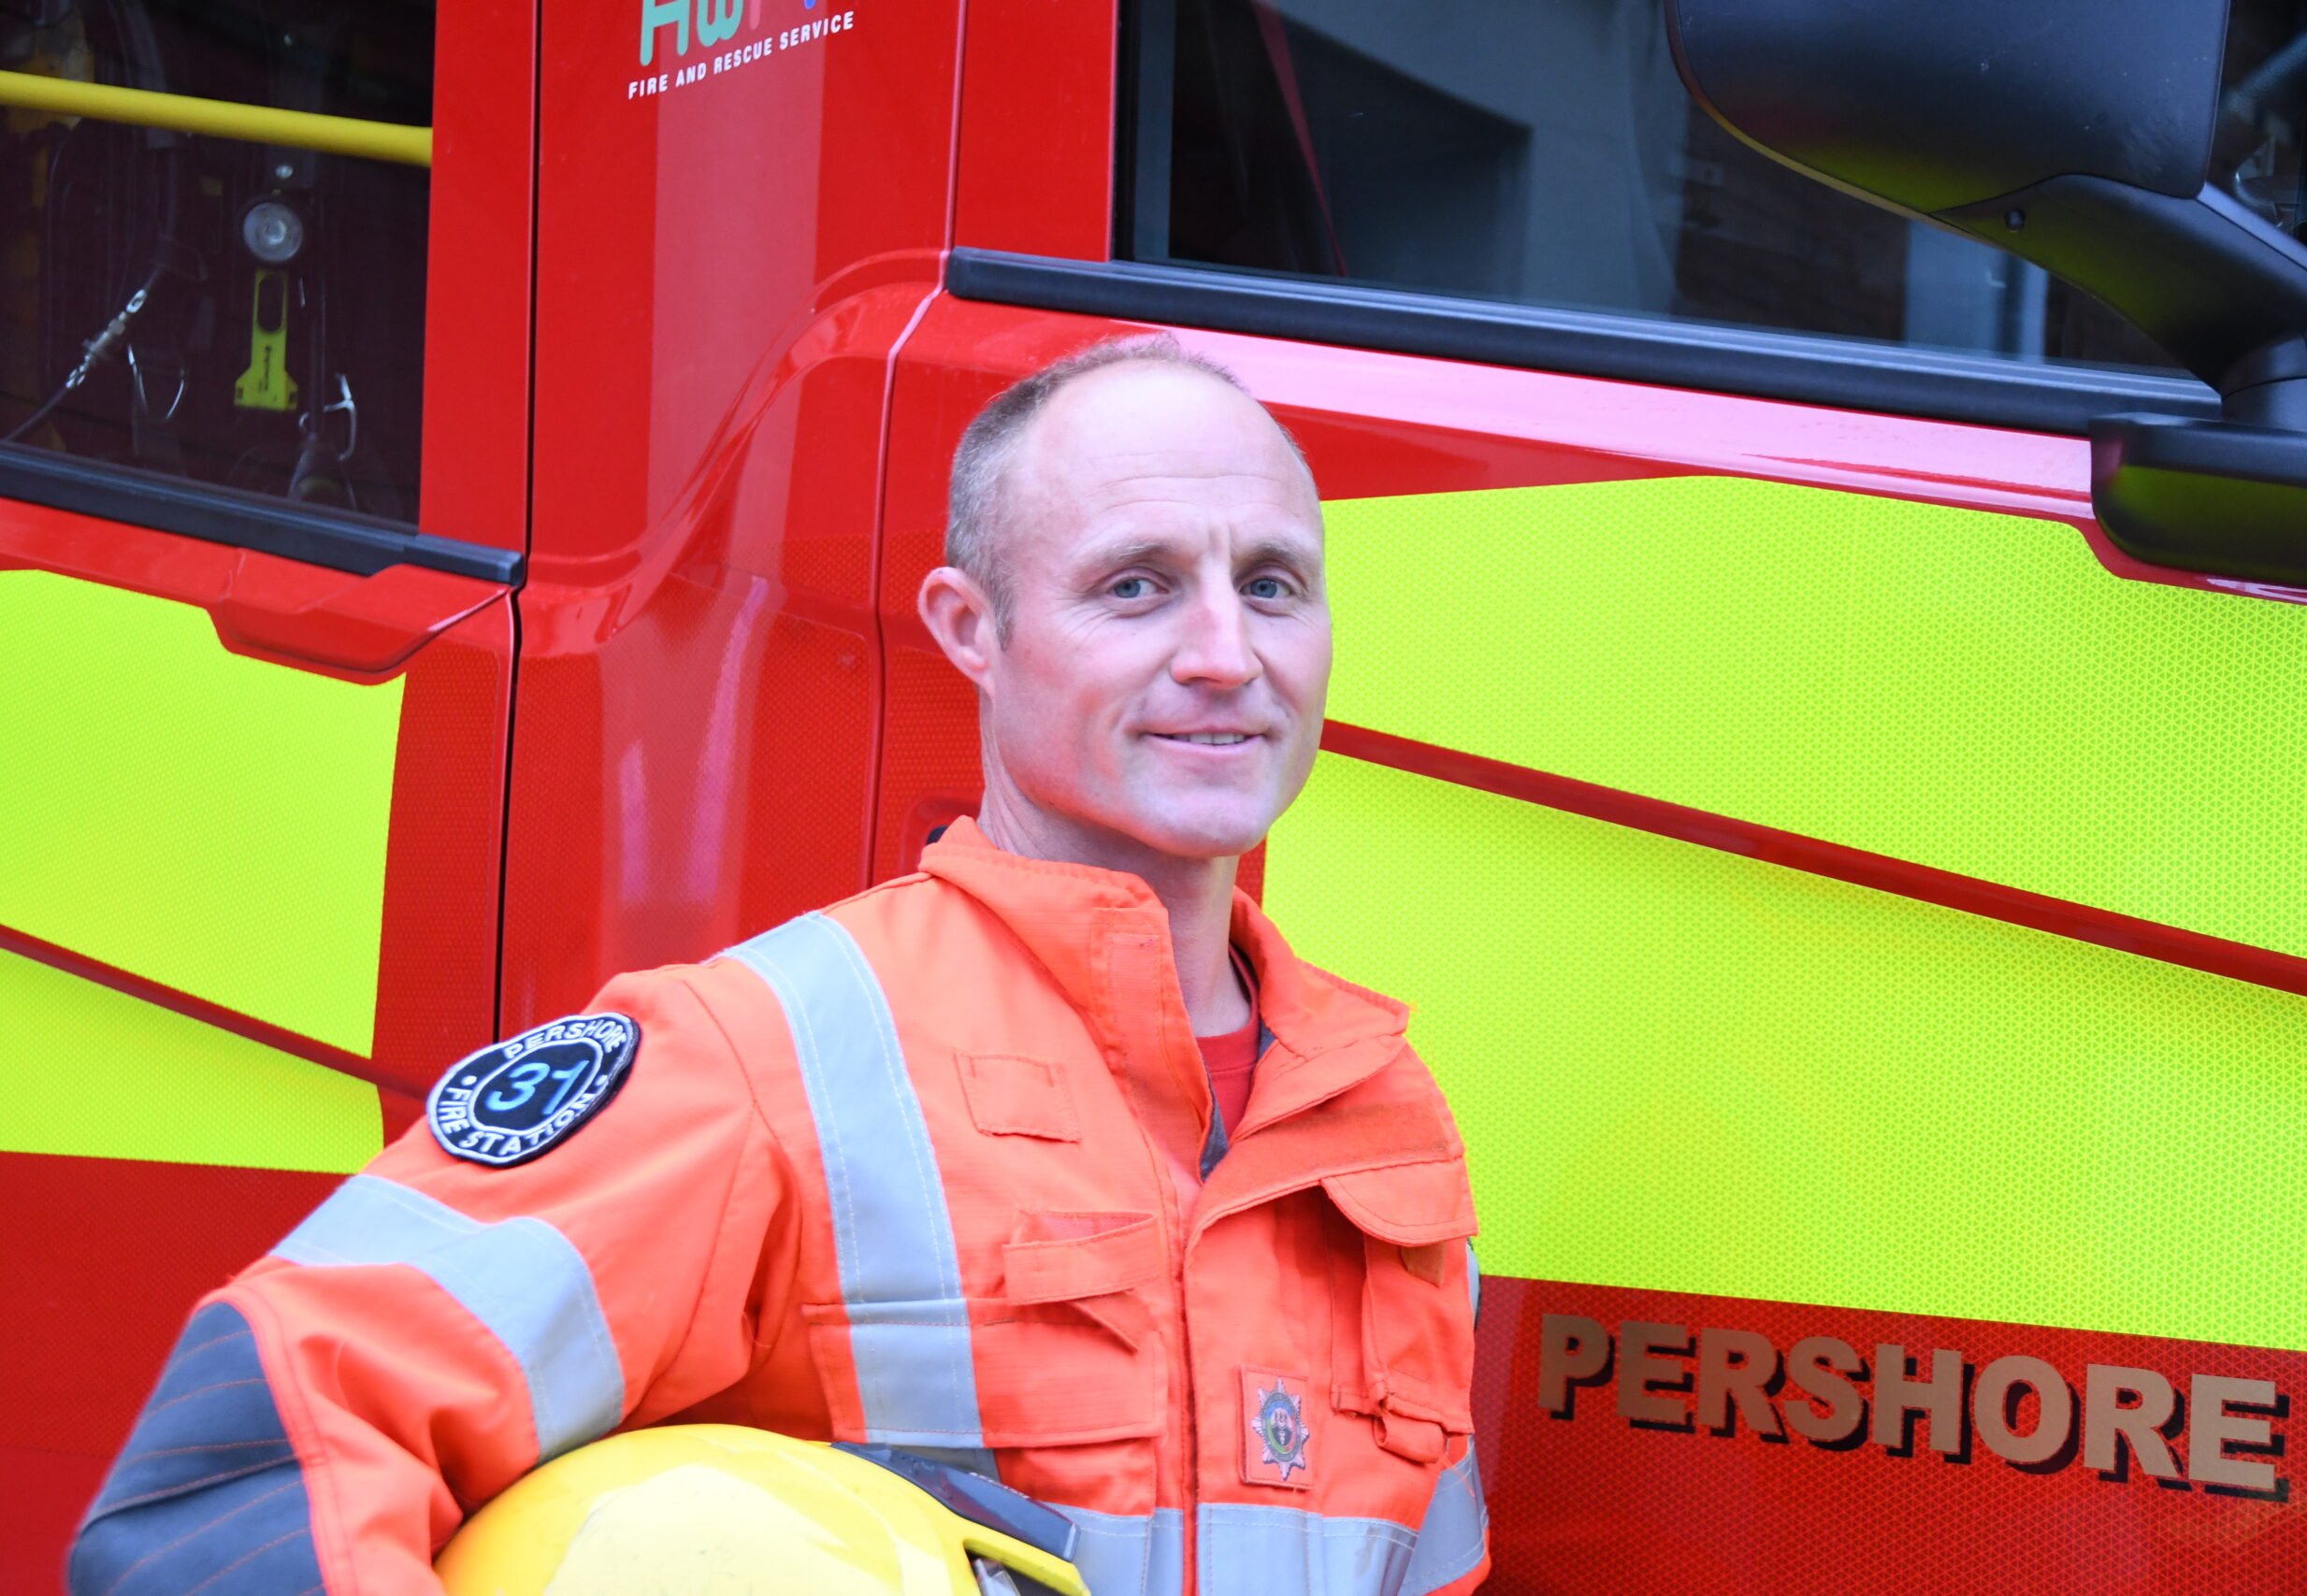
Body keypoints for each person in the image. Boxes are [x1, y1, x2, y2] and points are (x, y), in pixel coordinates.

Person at [69, 337, 1488, 1596]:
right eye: (1138, 587)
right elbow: (248, 1470)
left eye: (1273, 584)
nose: (1228, 655)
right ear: (968, 631)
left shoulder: (1378, 1128)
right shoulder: (767, 1058)